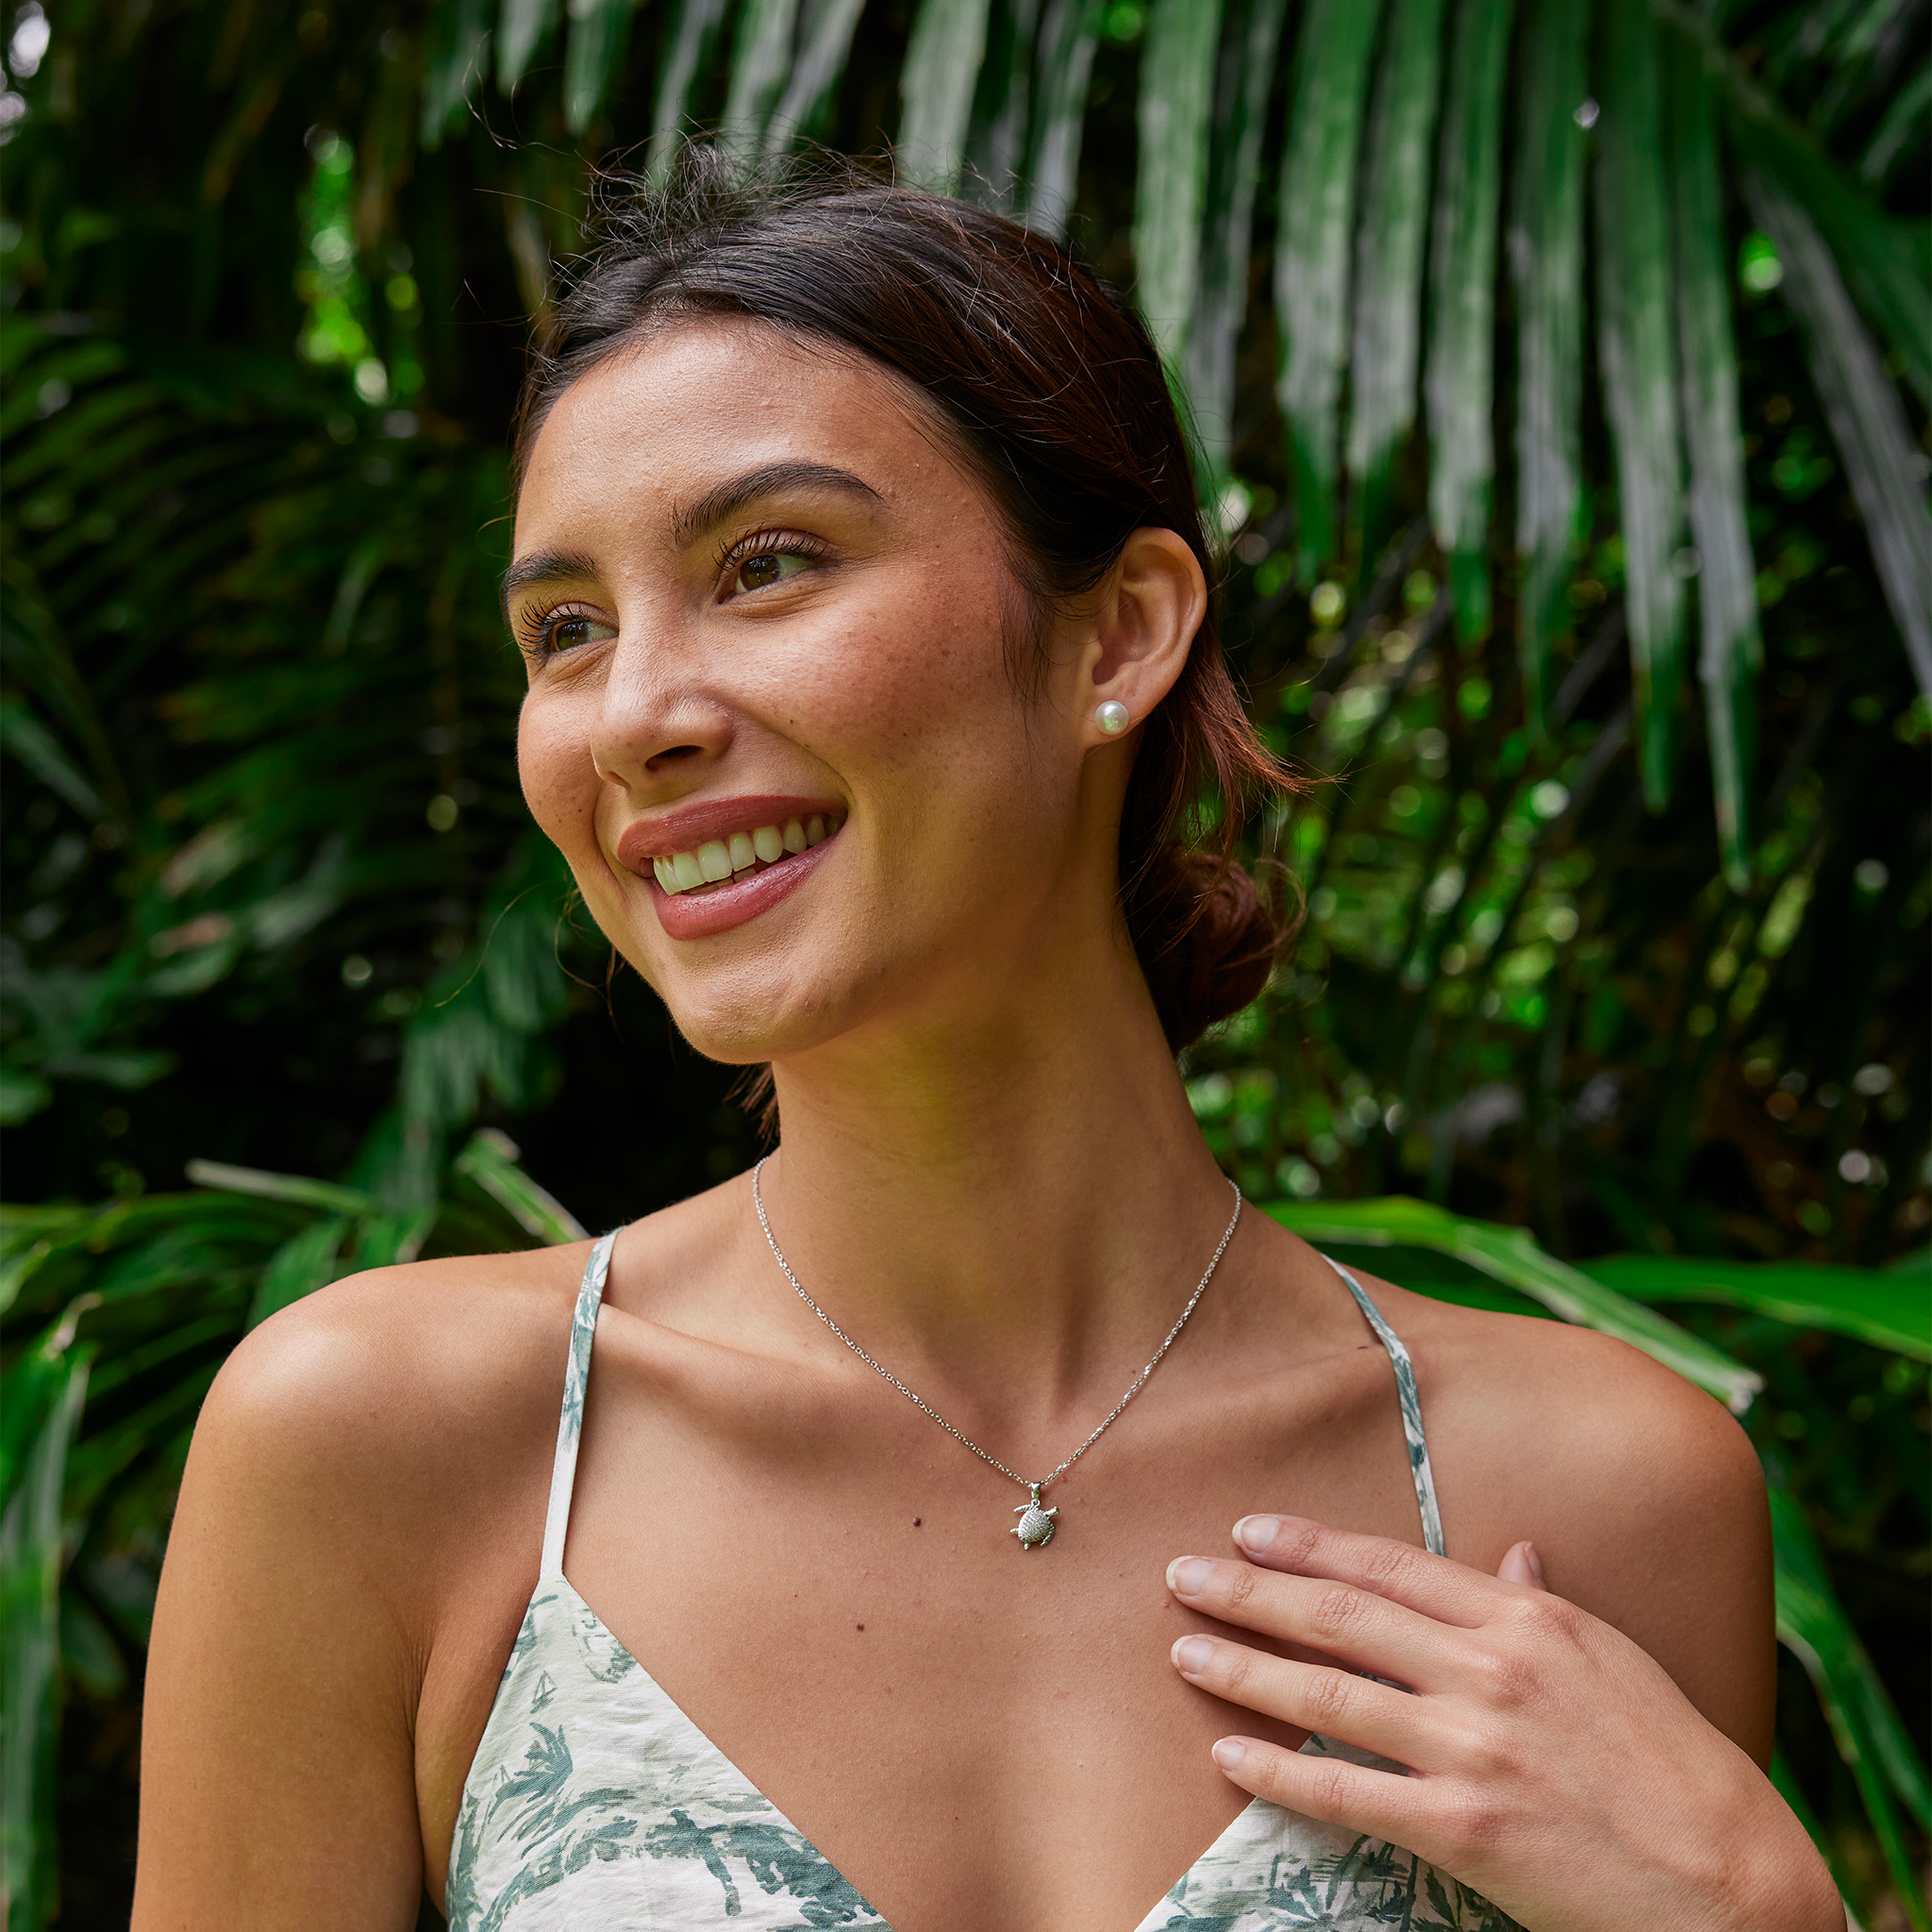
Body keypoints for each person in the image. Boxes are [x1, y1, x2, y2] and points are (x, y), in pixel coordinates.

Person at [135, 152, 1840, 1932]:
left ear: (1118, 632)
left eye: (767, 564)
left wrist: (1756, 1918)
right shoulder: (386, 1448)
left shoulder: (1590, 1492)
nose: (632, 714)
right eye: (565, 631)